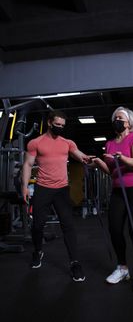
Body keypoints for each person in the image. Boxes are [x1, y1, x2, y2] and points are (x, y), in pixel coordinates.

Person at [21, 110, 91, 282]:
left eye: (62, 125)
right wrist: (24, 187)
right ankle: (38, 251)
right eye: (57, 124)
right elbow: (27, 165)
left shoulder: (67, 143)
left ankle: (75, 262)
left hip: (61, 190)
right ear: (49, 123)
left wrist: (87, 159)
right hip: (43, 188)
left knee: (68, 226)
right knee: (37, 225)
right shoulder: (35, 143)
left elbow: (79, 155)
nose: (60, 127)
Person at [92, 106, 133, 291]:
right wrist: (97, 162)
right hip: (119, 190)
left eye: (120, 118)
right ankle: (122, 267)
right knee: (115, 228)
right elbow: (112, 171)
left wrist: (121, 157)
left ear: (129, 122)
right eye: (115, 118)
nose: (116, 120)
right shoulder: (109, 143)